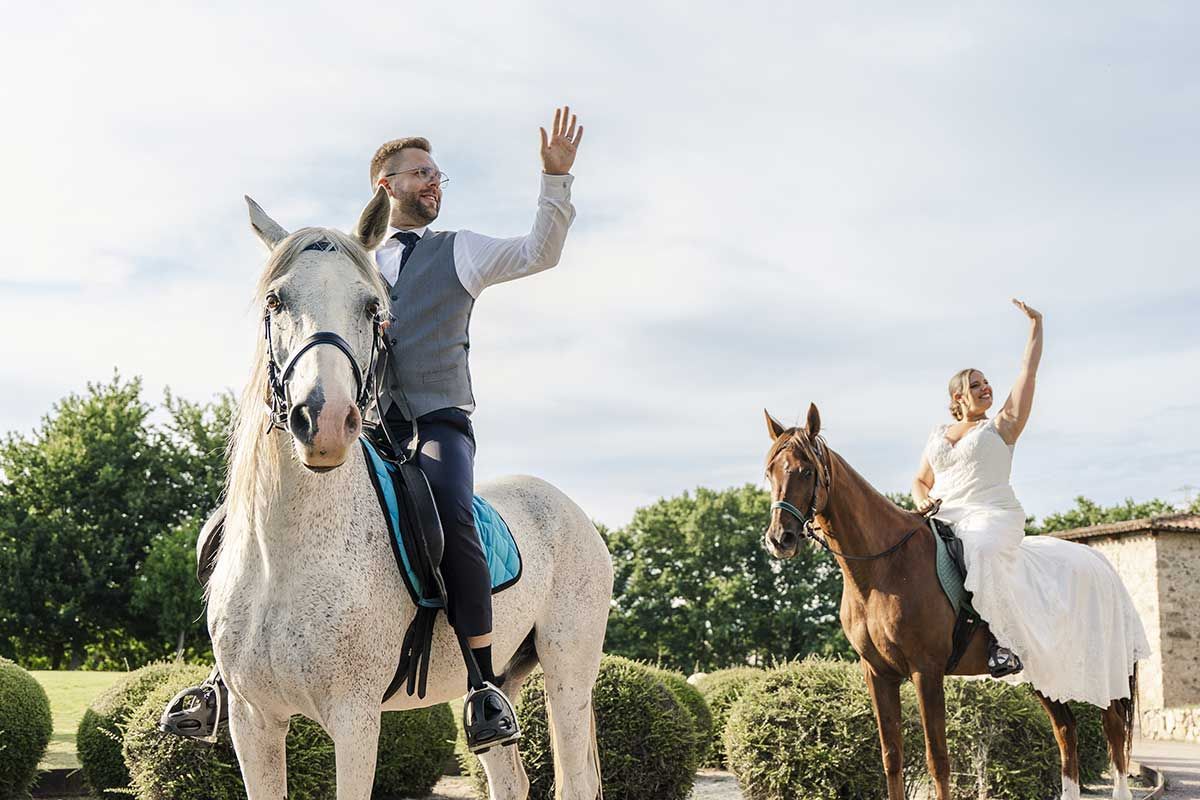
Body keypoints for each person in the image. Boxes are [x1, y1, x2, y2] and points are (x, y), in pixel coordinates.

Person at [170, 107, 583, 750]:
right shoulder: (350, 262)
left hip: (435, 424)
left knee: (451, 515)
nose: (434, 181)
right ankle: (227, 676)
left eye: (437, 173)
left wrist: (555, 183)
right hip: (363, 425)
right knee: (233, 524)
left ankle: (481, 683)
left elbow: (539, 253)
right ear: (384, 186)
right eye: (420, 172)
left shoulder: (460, 251)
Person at [911, 299, 1149, 704]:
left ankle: (1004, 645)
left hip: (990, 514)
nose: (986, 387)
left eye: (986, 382)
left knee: (982, 549)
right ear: (957, 397)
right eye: (975, 384)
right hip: (945, 513)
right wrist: (923, 501)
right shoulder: (939, 433)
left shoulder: (1001, 425)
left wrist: (1036, 327)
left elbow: (1028, 371)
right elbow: (920, 479)